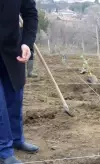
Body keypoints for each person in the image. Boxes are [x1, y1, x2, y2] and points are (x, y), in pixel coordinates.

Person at [0, 0, 39, 163]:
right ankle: (4, 151)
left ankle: (16, 139)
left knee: (15, 96)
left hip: (11, 48)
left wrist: (26, 43)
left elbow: (30, 13)